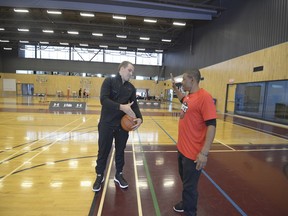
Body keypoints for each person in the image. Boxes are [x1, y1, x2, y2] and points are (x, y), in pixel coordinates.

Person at [171, 70, 217, 216]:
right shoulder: (189, 96)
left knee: (190, 188)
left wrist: (204, 153)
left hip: (193, 154)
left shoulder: (205, 97)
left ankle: (190, 211)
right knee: (185, 182)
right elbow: (182, 100)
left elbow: (212, 125)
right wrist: (175, 88)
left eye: (184, 80)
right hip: (182, 149)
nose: (182, 82)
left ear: (192, 80)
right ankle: (185, 204)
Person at [92, 61, 143, 192]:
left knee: (120, 151)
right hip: (106, 124)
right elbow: (103, 100)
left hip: (122, 126)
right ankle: (99, 175)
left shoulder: (131, 88)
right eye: (129, 70)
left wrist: (140, 118)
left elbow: (134, 105)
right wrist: (121, 107)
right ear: (121, 69)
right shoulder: (108, 81)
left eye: (133, 71)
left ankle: (118, 174)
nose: (131, 73)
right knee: (103, 151)